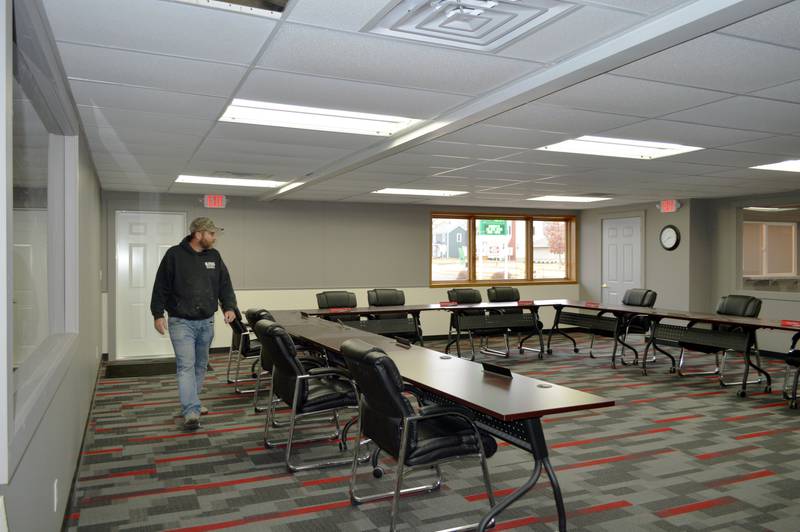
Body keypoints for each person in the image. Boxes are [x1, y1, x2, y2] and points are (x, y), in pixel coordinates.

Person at [150, 217, 237, 430]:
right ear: (198, 234)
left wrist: (229, 306)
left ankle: (192, 402)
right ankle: (191, 410)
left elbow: (224, 284)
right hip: (181, 322)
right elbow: (161, 285)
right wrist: (157, 313)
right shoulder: (174, 255)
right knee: (186, 365)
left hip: (206, 322)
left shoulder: (214, 256)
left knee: (200, 365)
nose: (214, 238)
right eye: (211, 234)